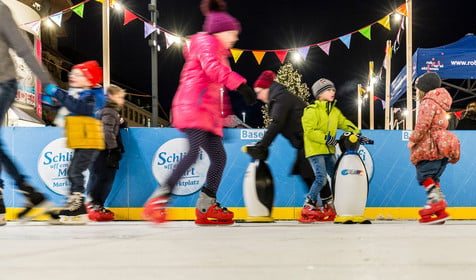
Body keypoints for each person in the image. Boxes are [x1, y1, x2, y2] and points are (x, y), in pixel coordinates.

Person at [142, 0, 256, 224]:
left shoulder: (219, 52)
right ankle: (159, 198)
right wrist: (240, 85)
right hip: (193, 106)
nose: (236, 38)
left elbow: (217, 90)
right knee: (193, 151)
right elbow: (212, 69)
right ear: (221, 32)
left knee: (219, 157)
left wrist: (224, 118)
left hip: (207, 112)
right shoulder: (206, 43)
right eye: (233, 33)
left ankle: (206, 205)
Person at [244, 70, 334, 220]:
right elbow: (277, 125)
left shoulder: (281, 98)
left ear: (267, 88)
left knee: (310, 172)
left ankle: (323, 207)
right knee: (306, 172)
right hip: (304, 142)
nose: (258, 97)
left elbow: (277, 123)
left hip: (310, 140)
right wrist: (262, 145)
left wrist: (262, 146)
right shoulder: (278, 99)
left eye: (259, 92)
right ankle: (324, 206)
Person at [0, 0, 54, 225]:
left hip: (3, 83)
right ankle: (31, 194)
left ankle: (27, 193)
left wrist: (46, 82)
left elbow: (22, 48)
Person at [45, 60, 106, 224]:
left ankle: (78, 205)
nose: (72, 76)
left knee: (74, 171)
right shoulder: (78, 93)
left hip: (90, 140)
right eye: (72, 73)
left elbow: (80, 108)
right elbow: (66, 107)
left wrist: (58, 93)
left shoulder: (92, 96)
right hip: (81, 140)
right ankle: (74, 202)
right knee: (72, 171)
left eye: (78, 74)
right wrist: (49, 101)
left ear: (89, 79)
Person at [300, 78, 359, 222]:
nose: (332, 92)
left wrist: (357, 133)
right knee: (321, 178)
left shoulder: (335, 112)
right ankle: (308, 204)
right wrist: (326, 138)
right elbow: (310, 131)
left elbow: (344, 123)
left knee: (337, 176)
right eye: (328, 90)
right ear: (319, 94)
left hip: (329, 150)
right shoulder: (311, 111)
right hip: (315, 150)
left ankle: (330, 206)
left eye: (333, 89)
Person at [407, 72, 460, 224]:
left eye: (418, 89)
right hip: (441, 147)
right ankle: (440, 209)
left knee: (424, 174)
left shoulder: (427, 102)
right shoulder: (440, 103)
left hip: (429, 147)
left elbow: (423, 125)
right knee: (434, 177)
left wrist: (413, 140)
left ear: (423, 89)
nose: (417, 92)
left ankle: (436, 203)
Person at [86, 84, 127, 221]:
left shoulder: (103, 110)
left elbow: (108, 126)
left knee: (98, 177)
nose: (122, 100)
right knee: (105, 179)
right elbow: (106, 132)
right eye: (120, 97)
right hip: (104, 151)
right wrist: (113, 149)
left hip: (96, 150)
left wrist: (120, 123)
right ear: (111, 96)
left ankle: (95, 204)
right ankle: (95, 205)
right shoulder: (109, 111)